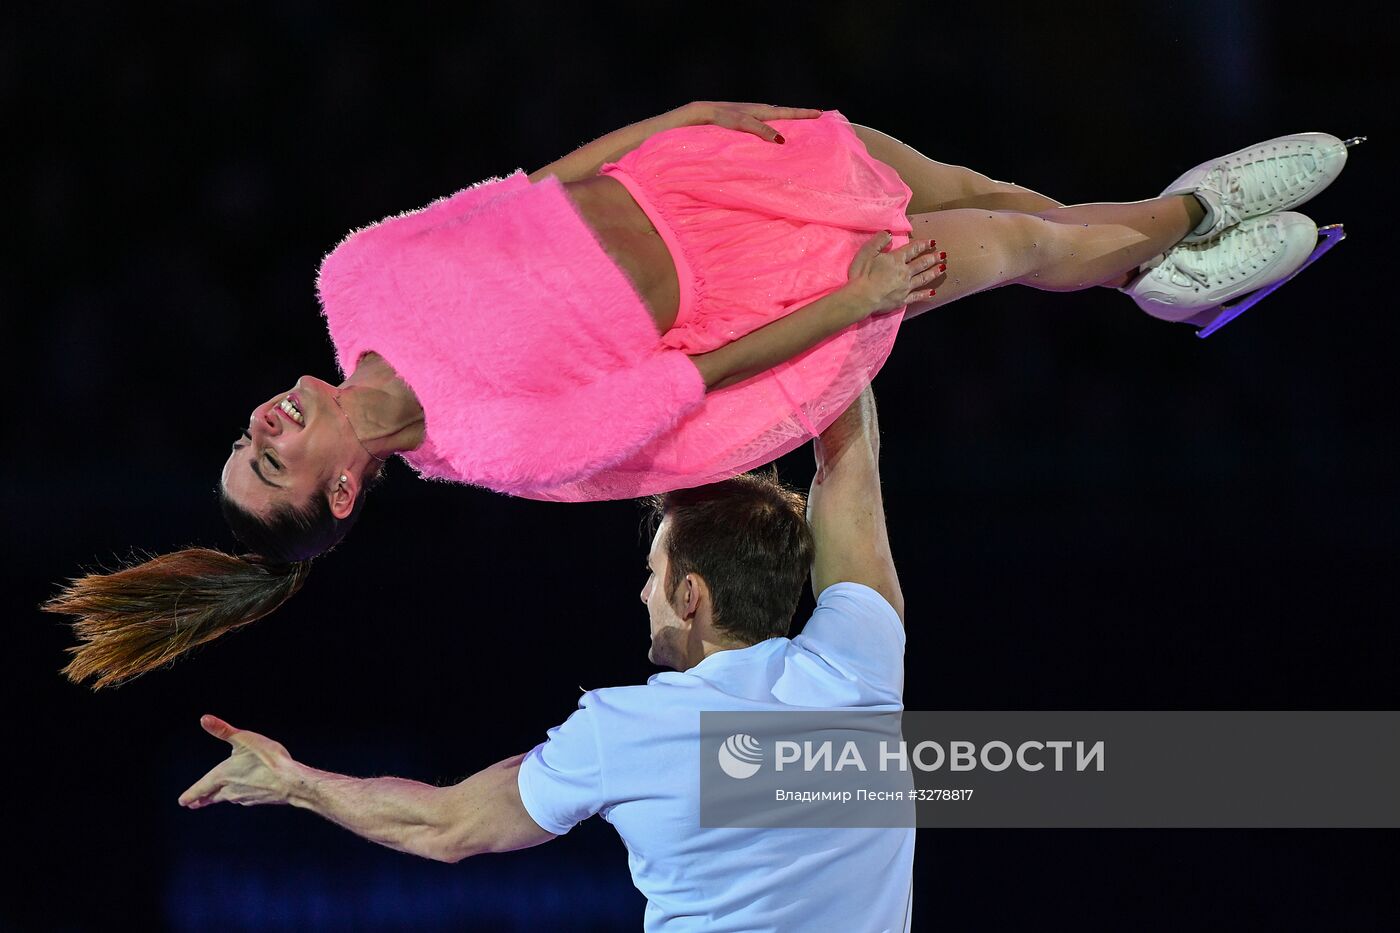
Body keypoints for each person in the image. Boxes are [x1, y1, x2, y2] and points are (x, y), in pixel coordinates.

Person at [48, 102, 1353, 687]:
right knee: (1010, 249)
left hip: (702, 181)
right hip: (767, 298)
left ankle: (1161, 283)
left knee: (975, 186)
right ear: (343, 483)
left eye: (246, 434)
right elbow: (682, 384)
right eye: (269, 460)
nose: (264, 421)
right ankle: (1196, 206)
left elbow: (531, 189)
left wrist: (681, 120)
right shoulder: (485, 442)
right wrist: (846, 305)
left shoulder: (353, 274)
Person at [179, 387, 916, 931]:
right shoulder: (859, 665)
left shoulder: (627, 729)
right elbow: (850, 459)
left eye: (654, 573)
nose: (642, 593)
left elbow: (445, 826)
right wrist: (836, 288)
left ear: (690, 595)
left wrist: (292, 781)